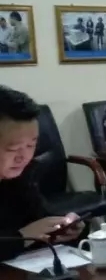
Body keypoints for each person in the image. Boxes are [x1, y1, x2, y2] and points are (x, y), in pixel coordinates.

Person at [0, 87, 84, 260]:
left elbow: (39, 220)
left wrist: (64, 229)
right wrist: (22, 237)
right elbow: (28, 233)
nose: (23, 157)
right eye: (13, 148)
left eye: (31, 145)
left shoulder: (22, 177)